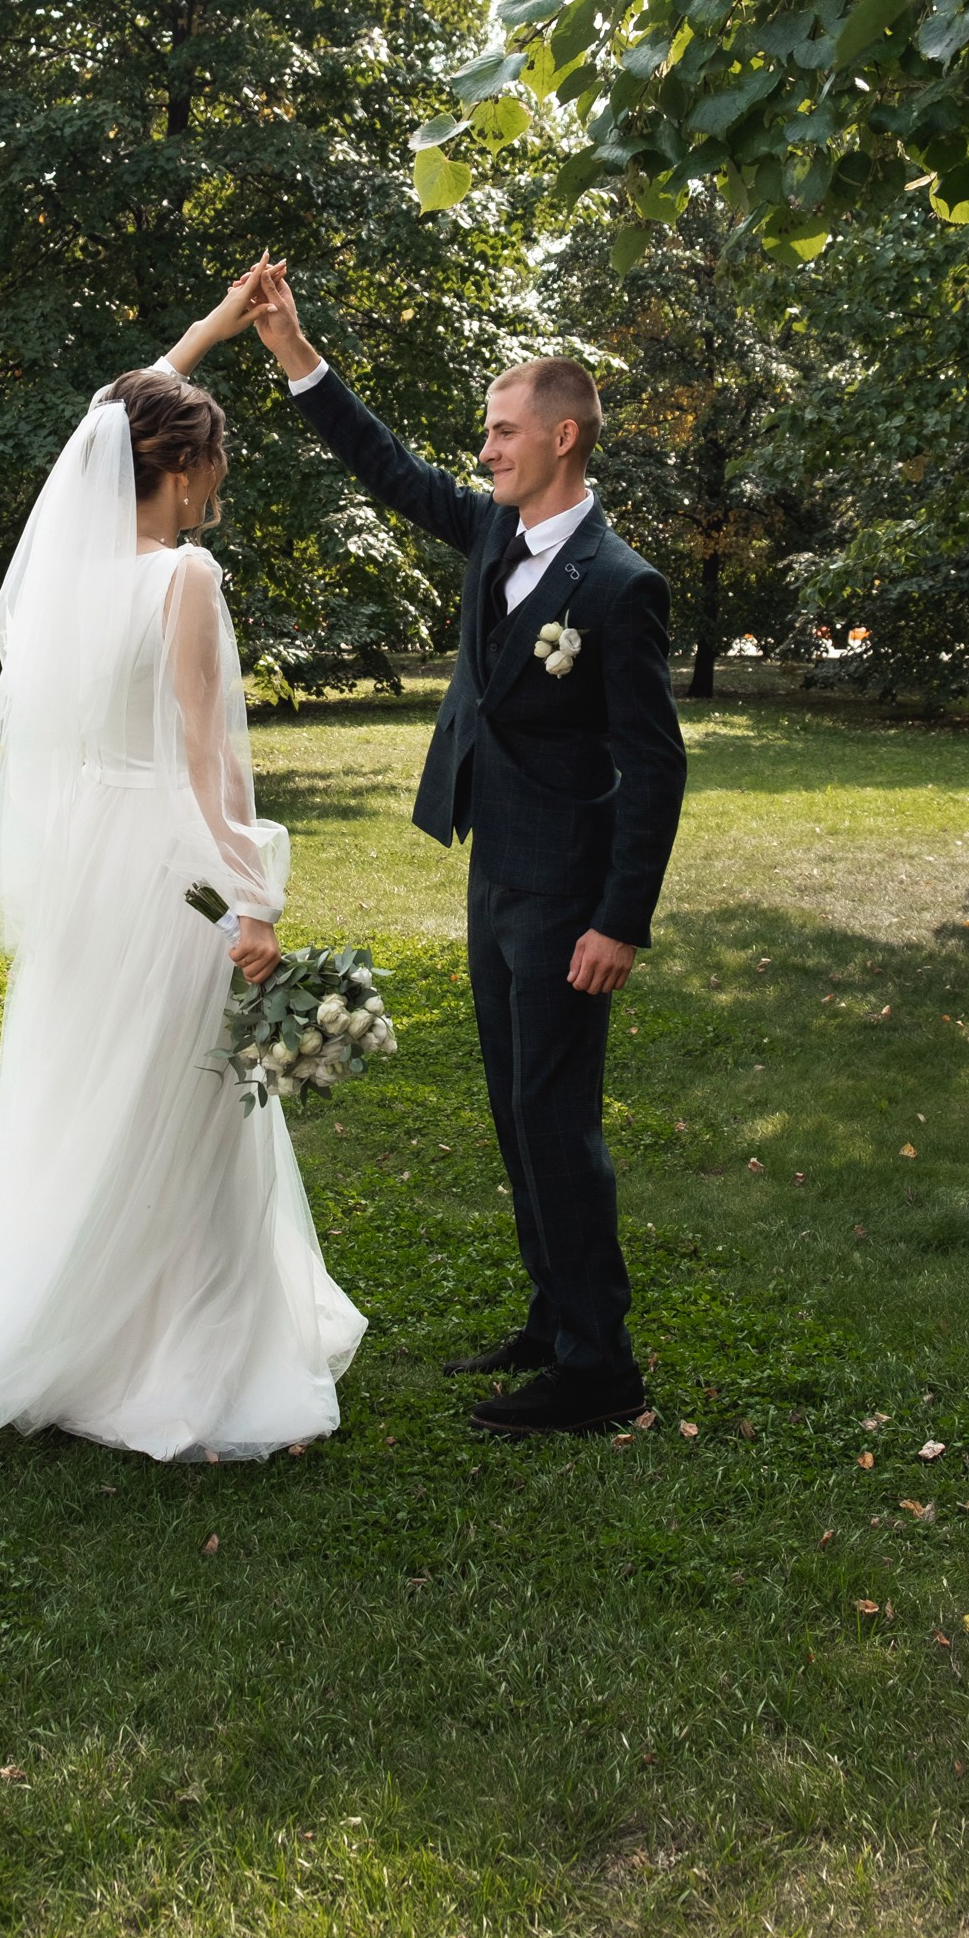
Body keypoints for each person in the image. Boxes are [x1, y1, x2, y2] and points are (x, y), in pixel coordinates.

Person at [0, 276, 364, 1462]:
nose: (220, 481)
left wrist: (208, 330)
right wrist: (252, 899)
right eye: (214, 462)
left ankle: (72, 1335)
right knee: (185, 1107)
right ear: (183, 469)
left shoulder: (62, 577)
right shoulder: (181, 577)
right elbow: (210, 762)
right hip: (168, 867)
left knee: (94, 1092)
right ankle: (177, 1360)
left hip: (86, 869)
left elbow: (113, 418)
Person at [247, 260, 685, 1437]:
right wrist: (294, 352)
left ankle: (599, 1371)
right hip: (497, 870)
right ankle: (553, 1319)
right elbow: (387, 470)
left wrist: (617, 920)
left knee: (557, 1120)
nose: (483, 449)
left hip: (567, 896)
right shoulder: (496, 531)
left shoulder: (619, 588)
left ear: (561, 436)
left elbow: (654, 768)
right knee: (513, 1108)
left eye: (500, 431)